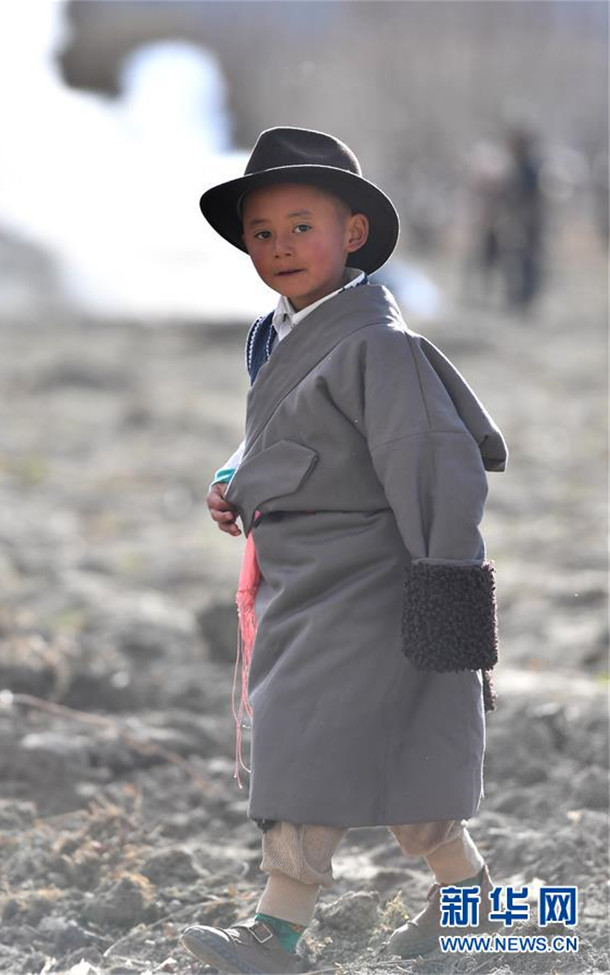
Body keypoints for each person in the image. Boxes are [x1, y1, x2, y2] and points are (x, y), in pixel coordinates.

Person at [181, 127, 508, 975]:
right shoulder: (278, 334)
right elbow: (288, 435)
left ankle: (277, 933)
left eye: (302, 226)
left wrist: (445, 593)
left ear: (353, 232)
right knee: (395, 750)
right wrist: (235, 479)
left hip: (375, 585)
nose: (281, 247)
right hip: (307, 583)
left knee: (301, 735)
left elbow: (436, 466)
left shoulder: (380, 346)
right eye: (262, 232)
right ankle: (473, 900)